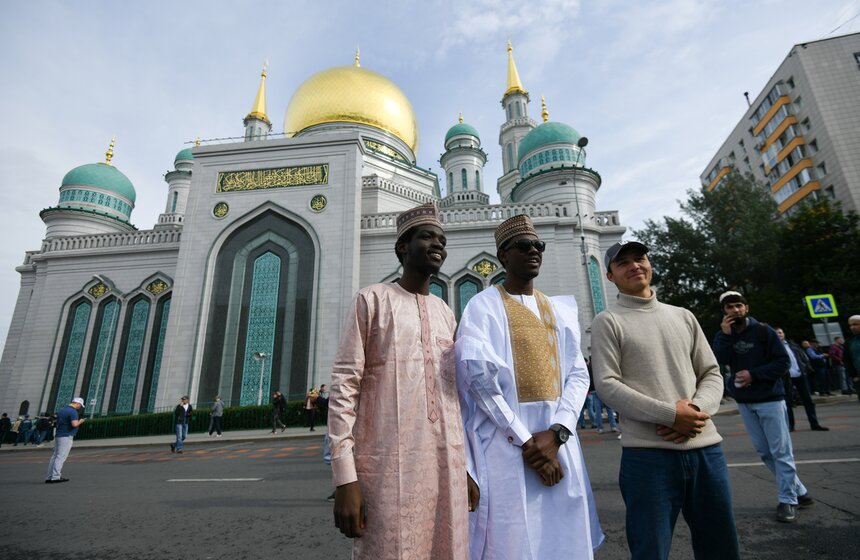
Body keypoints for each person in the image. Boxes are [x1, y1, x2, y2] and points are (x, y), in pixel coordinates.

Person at [456, 214, 602, 559]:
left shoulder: (559, 310)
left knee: (564, 538)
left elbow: (578, 375)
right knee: (513, 541)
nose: (534, 251)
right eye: (524, 246)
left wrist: (558, 432)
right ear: (503, 256)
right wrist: (527, 441)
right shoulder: (483, 306)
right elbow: (479, 382)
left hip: (559, 443)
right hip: (507, 450)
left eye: (539, 245)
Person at [328, 202, 469, 558]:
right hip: (389, 469)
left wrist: (467, 470)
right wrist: (345, 478)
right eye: (427, 237)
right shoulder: (372, 300)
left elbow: (454, 397)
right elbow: (344, 388)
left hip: (446, 467)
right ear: (402, 248)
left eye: (442, 239)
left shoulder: (445, 312)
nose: (438, 244)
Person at [591, 241, 739, 559]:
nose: (635, 266)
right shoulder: (608, 321)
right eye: (623, 263)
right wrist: (669, 415)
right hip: (648, 456)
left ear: (650, 264)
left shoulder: (683, 316)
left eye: (640, 259)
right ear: (610, 276)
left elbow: (711, 373)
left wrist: (696, 411)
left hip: (705, 449)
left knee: (721, 545)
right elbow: (607, 385)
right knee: (651, 549)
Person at [712, 291, 813, 523]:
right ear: (724, 312)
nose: (735, 310)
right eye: (730, 308)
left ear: (746, 308)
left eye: (738, 306)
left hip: (770, 399)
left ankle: (788, 501)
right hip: (745, 402)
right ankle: (800, 492)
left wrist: (754, 375)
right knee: (764, 452)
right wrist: (726, 336)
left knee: (781, 452)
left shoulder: (763, 332)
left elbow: (783, 362)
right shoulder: (723, 335)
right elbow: (719, 359)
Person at [774, 328, 828, 432]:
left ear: (784, 333)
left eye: (780, 332)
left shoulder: (792, 345)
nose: (779, 334)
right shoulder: (773, 346)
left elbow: (803, 357)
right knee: (787, 402)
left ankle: (814, 424)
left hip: (800, 375)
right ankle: (790, 425)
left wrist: (806, 367)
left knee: (808, 400)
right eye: (776, 333)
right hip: (785, 377)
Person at [45, 397, 86, 483]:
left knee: (55, 456)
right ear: (77, 404)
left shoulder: (62, 410)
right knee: (61, 457)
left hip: (59, 435)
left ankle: (49, 477)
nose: (80, 407)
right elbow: (74, 424)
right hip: (66, 436)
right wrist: (81, 421)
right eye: (80, 405)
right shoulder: (73, 411)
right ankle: (56, 477)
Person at [846, 315, 860, 403]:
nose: (852, 327)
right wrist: (854, 375)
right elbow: (847, 360)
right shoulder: (849, 342)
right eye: (850, 325)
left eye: (855, 324)